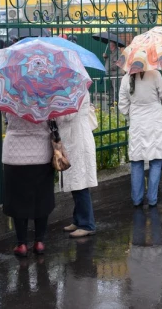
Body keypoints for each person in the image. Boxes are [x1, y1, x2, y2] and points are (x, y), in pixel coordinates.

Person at [119, 67, 162, 207]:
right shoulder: (154, 74)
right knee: (156, 159)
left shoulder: (126, 78)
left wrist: (133, 115)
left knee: (137, 160)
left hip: (137, 122)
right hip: (155, 121)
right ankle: (152, 199)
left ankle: (137, 199)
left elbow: (123, 106)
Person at [2, 113, 54, 257]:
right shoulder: (45, 96)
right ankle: (39, 242)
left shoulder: (11, 95)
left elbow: (5, 115)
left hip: (14, 154)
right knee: (42, 197)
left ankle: (22, 244)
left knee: (17, 199)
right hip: (41, 153)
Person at [57, 91, 98, 238]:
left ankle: (87, 224)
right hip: (74, 139)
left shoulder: (75, 89)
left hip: (78, 140)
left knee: (80, 184)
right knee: (76, 184)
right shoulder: (73, 87)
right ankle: (78, 219)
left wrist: (53, 106)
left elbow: (68, 115)